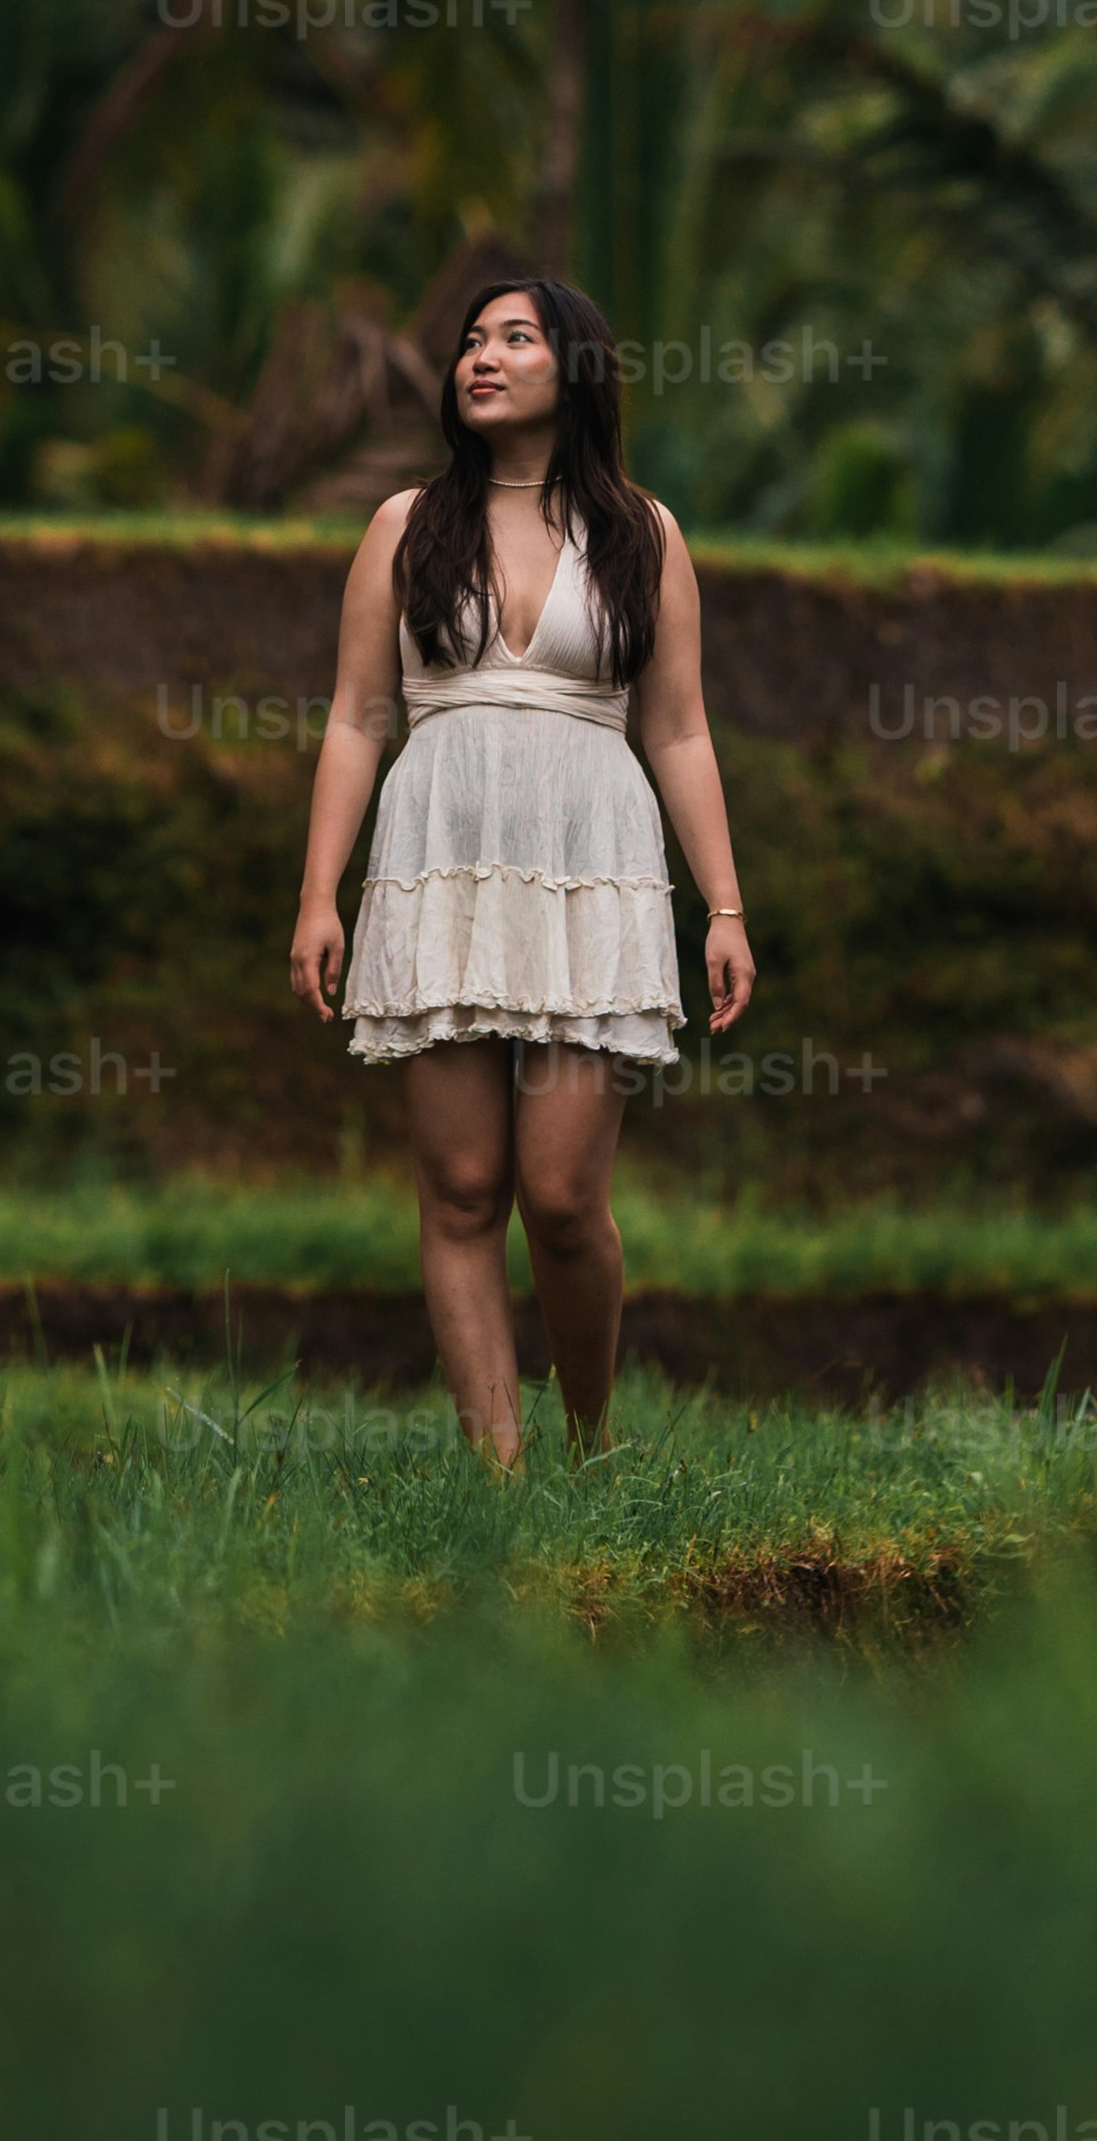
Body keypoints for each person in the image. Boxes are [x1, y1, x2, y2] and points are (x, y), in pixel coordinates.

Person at [287, 271, 754, 1462]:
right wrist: (318, 894)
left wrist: (725, 907)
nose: (478, 359)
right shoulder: (405, 524)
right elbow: (355, 715)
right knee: (458, 1190)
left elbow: (680, 729)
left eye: (514, 338)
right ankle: (499, 1485)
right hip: (436, 854)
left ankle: (591, 1446)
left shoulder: (644, 533)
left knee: (558, 1196)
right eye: (469, 342)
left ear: (575, 367)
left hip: (589, 861)